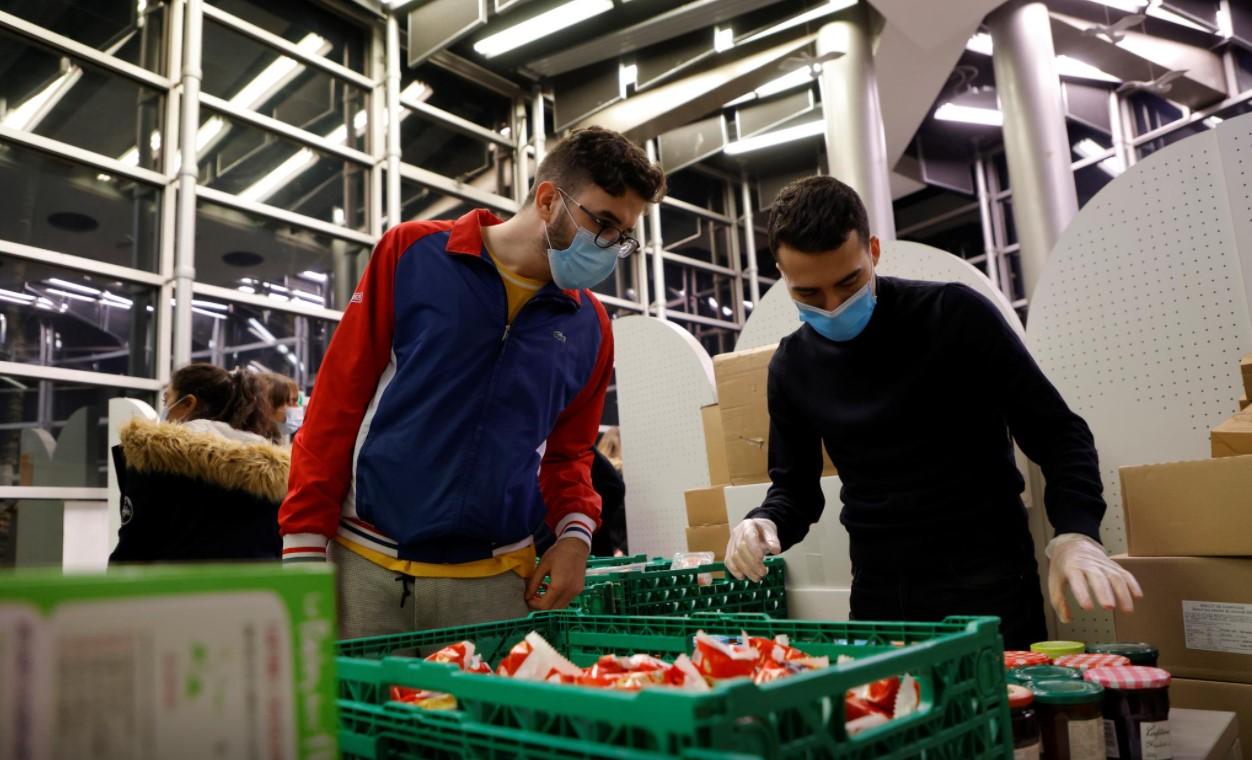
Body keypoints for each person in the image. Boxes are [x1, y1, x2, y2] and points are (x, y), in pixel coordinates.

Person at [279, 126, 666, 638]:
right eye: (604, 224)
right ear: (549, 200)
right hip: (365, 568)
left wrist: (575, 537)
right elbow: (335, 405)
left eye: (624, 236)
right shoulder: (411, 255)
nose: (612, 247)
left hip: (497, 585)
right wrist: (304, 546)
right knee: (359, 718)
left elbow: (570, 456)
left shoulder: (589, 327)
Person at [723, 176, 1141, 649]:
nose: (834, 307)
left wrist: (1077, 533)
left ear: (874, 251)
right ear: (781, 274)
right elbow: (796, 489)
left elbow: (1057, 433)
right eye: (809, 295)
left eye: (849, 282)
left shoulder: (954, 315)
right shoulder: (791, 365)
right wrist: (765, 522)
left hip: (989, 585)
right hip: (880, 594)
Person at [110, 364, 288, 562]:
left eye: (166, 399)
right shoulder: (271, 468)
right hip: (255, 590)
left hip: (180, 590)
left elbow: (135, 548)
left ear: (188, 403)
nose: (164, 407)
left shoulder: (157, 457)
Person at [259, 371, 301, 445]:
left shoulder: (269, 439)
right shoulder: (253, 443)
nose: (297, 406)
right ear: (269, 404)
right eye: (291, 401)